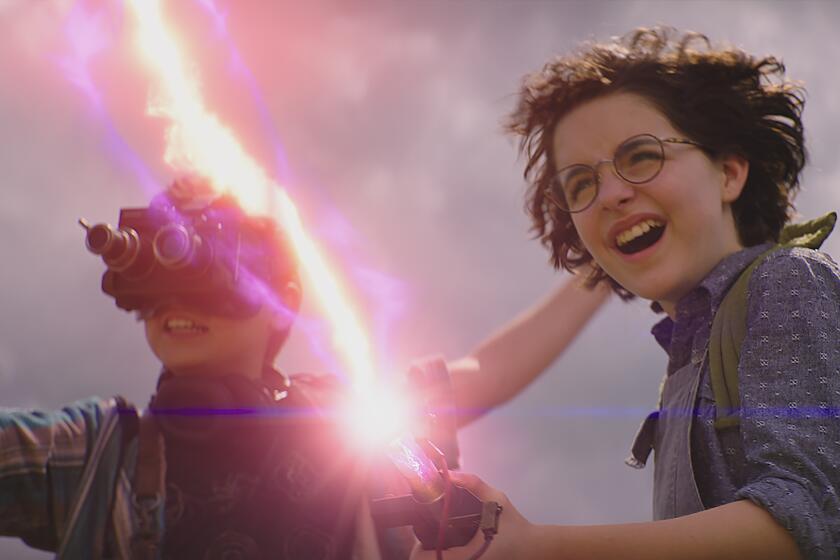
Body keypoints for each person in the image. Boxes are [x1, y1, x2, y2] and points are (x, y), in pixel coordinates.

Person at [415, 27, 840, 560]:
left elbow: (803, 520)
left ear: (729, 173)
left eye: (641, 156)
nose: (611, 194)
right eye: (580, 185)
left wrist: (539, 548)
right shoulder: (686, 364)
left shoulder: (787, 282)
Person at [0, 177, 403, 559]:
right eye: (162, 272)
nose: (179, 299)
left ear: (281, 304)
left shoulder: (348, 432)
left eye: (211, 265)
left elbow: (465, 380)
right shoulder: (101, 454)